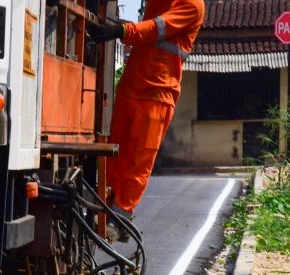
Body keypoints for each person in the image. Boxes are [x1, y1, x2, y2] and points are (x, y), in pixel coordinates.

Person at [88, 0, 205, 238]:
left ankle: (121, 217)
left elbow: (155, 28)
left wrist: (121, 30)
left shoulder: (193, 6)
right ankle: (105, 208)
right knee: (115, 156)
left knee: (139, 161)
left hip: (158, 94)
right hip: (131, 86)